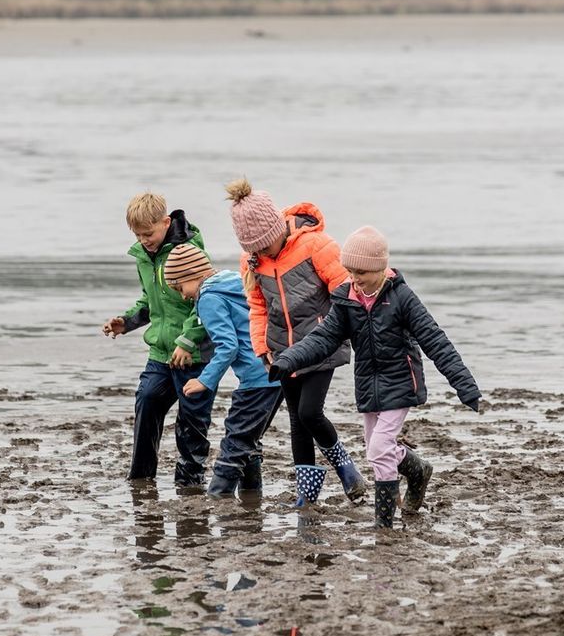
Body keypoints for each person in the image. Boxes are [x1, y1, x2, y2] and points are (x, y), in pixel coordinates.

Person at [269, 225, 485, 529]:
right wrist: (287, 360)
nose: (355, 278)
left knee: (378, 449)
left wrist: (465, 387)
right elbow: (323, 338)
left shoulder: (402, 298)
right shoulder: (346, 300)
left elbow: (435, 340)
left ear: (380, 268)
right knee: (376, 445)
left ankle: (384, 523)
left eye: (362, 272)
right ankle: (419, 470)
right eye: (350, 271)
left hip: (400, 382)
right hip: (369, 385)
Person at [226, 177, 366, 507]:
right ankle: (307, 493)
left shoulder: (316, 245)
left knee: (310, 413)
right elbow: (258, 306)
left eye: (263, 246)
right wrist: (263, 350)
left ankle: (347, 470)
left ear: (276, 231)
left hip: (321, 344)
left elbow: (346, 291)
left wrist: (352, 333)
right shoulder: (252, 261)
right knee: (296, 421)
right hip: (282, 352)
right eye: (253, 250)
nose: (259, 253)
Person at [102, 192, 214, 486]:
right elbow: (151, 302)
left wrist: (188, 341)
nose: (143, 240)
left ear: (166, 222)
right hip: (161, 353)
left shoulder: (188, 251)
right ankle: (140, 478)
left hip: (195, 355)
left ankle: (190, 483)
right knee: (147, 401)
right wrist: (125, 322)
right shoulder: (143, 257)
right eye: (137, 235)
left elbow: (205, 301)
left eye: (148, 233)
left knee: (192, 423)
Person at [164, 243, 282, 498]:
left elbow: (228, 347)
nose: (183, 296)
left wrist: (204, 380)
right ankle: (252, 497)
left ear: (192, 275)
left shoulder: (208, 298)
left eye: (180, 288)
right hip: (279, 370)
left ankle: (218, 496)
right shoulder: (231, 279)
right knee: (249, 440)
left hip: (257, 377)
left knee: (235, 440)